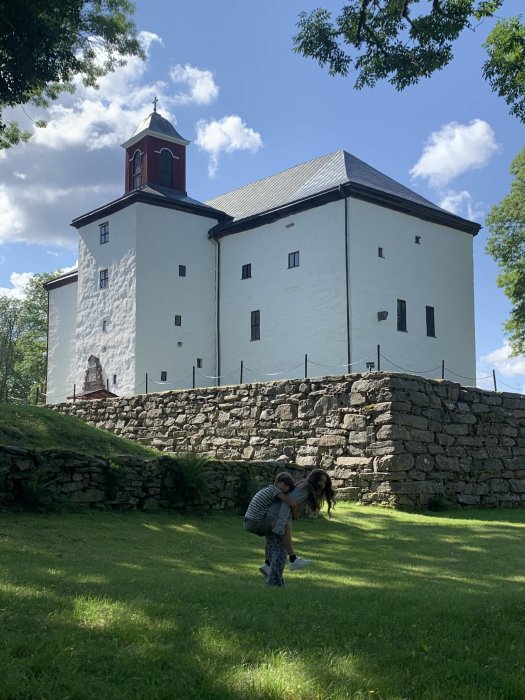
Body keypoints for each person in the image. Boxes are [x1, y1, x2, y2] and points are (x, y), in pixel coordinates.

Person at [262, 468, 336, 587]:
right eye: (320, 481)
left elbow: (293, 508)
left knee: (278, 552)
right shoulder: (305, 488)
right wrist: (280, 527)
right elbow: (286, 504)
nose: (322, 484)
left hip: (274, 518)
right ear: (314, 479)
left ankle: (275, 579)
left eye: (324, 482)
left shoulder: (306, 489)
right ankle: (273, 582)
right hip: (275, 520)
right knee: (280, 553)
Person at [244, 472, 311, 578]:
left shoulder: (268, 489)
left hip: (249, 521)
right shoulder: (275, 490)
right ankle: (293, 559)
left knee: (270, 533)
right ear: (278, 482)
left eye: (289, 487)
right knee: (283, 526)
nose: (287, 489)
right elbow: (290, 502)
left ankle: (267, 564)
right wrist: (295, 505)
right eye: (286, 485)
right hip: (255, 521)